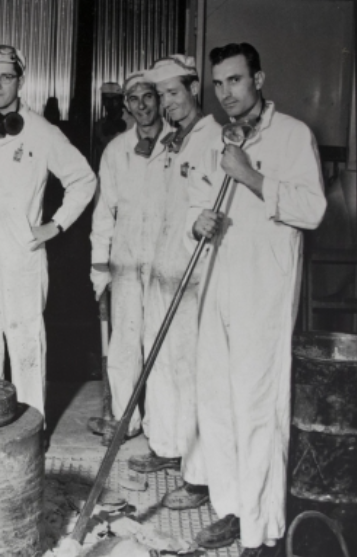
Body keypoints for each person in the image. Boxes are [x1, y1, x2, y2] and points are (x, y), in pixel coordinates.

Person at [189, 43, 325, 556]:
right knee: (218, 402)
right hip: (217, 282)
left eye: (235, 81)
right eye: (219, 83)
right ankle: (230, 509)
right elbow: (199, 202)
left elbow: (312, 210)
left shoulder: (293, 135)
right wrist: (196, 222)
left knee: (257, 406)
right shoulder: (217, 138)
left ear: (259, 79)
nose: (226, 93)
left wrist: (249, 174)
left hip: (261, 296)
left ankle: (262, 529)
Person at [0, 44, 96, 416]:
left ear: (20, 80)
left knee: (25, 342)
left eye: (7, 76)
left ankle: (32, 429)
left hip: (20, 255)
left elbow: (83, 179)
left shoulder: (42, 132)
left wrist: (56, 225)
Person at [128, 55, 221, 511]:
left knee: (190, 370)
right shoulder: (172, 142)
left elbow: (212, 212)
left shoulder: (214, 139)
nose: (168, 103)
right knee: (159, 362)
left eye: (174, 93)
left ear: (193, 89)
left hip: (194, 274)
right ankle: (165, 445)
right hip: (162, 271)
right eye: (161, 95)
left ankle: (199, 475)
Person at [88, 72, 170, 443]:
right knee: (124, 341)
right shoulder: (115, 150)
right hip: (124, 258)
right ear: (126, 107)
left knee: (163, 343)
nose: (142, 105)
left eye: (148, 96)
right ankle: (125, 419)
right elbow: (104, 212)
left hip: (165, 258)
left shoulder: (178, 145)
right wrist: (99, 263)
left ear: (159, 99)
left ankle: (165, 430)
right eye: (134, 99)